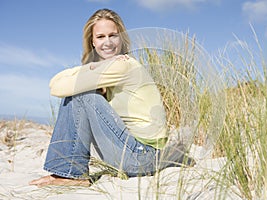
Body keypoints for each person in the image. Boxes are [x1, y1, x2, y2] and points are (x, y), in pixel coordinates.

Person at [30, 8, 194, 187]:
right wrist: (90, 68)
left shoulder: (122, 66)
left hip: (140, 155)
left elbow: (59, 88)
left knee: (82, 95)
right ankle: (66, 171)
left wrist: (89, 69)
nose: (107, 42)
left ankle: (71, 173)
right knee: (82, 93)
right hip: (134, 152)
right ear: (92, 41)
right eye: (100, 37)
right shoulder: (107, 69)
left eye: (113, 35)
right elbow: (54, 83)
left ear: (121, 38)